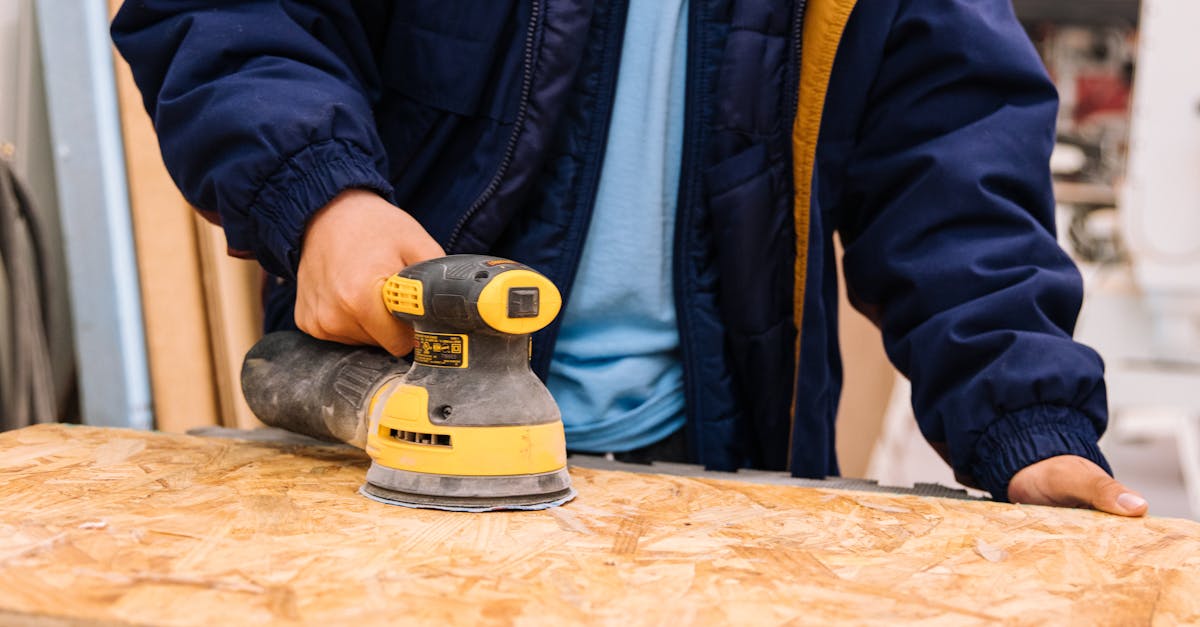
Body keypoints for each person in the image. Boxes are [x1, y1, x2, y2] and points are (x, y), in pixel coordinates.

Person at [111, 0, 1149, 515]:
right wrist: (324, 196)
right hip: (386, 461)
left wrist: (1026, 423)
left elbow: (948, 148)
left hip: (714, 476)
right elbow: (228, 12)